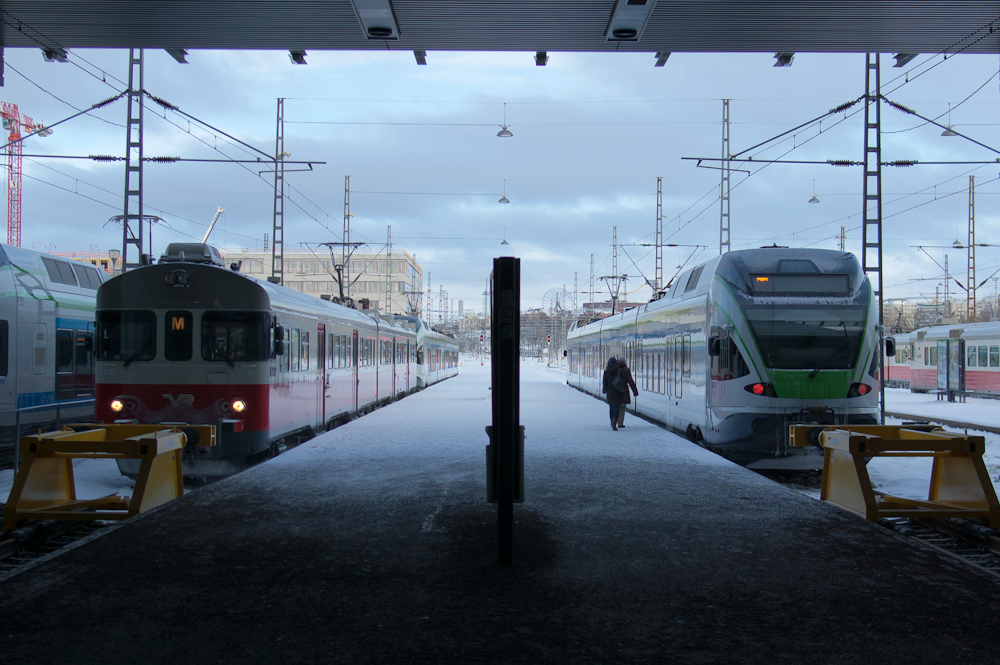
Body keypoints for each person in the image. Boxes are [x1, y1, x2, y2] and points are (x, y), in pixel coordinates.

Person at [616, 358, 639, 428]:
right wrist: (635, 392)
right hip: (623, 391)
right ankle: (620, 423)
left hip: (614, 391)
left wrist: (606, 390)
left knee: (615, 406)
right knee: (622, 406)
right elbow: (630, 381)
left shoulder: (612, 369)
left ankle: (613, 421)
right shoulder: (626, 370)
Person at [602, 356, 624, 431]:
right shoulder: (619, 370)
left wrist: (605, 390)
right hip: (617, 391)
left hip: (610, 392)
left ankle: (612, 422)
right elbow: (623, 381)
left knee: (611, 408)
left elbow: (604, 382)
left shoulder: (606, 371)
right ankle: (614, 424)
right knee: (616, 408)